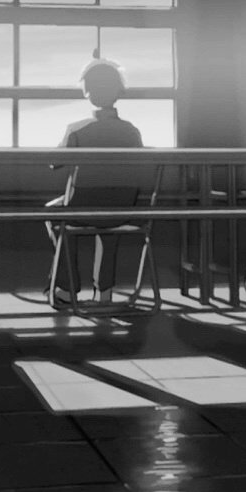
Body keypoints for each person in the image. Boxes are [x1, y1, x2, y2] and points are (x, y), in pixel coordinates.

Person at [48, 58, 143, 306]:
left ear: (87, 91)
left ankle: (67, 288)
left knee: (55, 216)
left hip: (83, 208)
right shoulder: (132, 131)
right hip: (122, 208)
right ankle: (104, 292)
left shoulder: (78, 129)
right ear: (118, 92)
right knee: (108, 231)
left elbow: (54, 163)